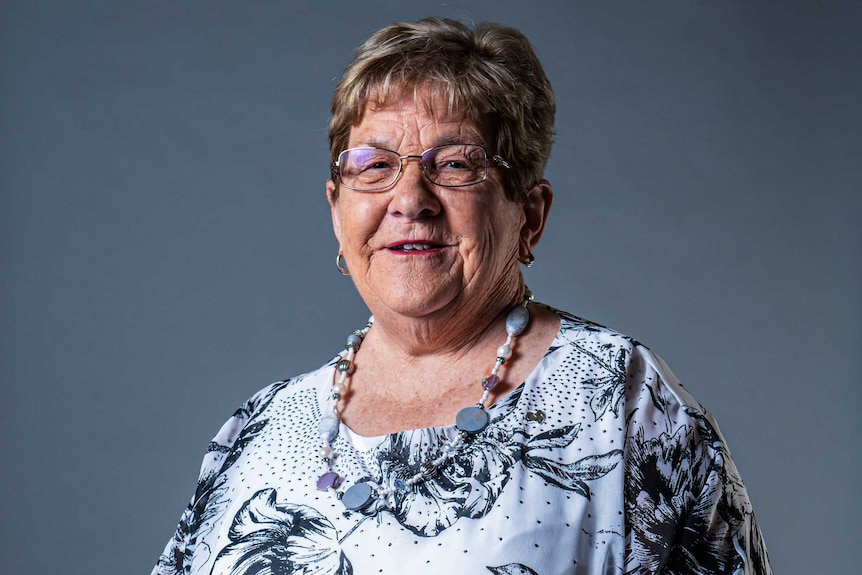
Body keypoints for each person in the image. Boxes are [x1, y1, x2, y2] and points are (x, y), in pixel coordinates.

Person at [153, 17, 771, 575]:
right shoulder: (257, 430)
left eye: (454, 164)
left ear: (529, 215)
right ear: (336, 210)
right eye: (373, 166)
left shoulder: (622, 402)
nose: (410, 199)